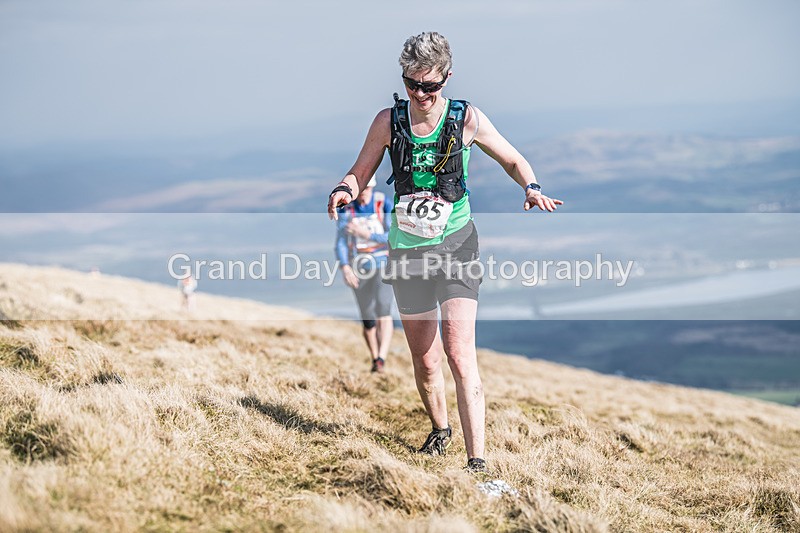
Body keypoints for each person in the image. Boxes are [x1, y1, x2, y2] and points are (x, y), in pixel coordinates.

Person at [327, 32, 562, 473]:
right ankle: (440, 429)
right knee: (426, 358)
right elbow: (361, 171)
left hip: (456, 247)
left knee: (458, 353)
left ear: (446, 78)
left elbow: (512, 158)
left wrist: (531, 187)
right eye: (412, 84)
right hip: (407, 253)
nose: (420, 95)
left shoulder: (465, 118)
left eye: (430, 86)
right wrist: (344, 189)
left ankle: (477, 461)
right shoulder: (388, 121)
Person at [335, 175, 395, 373]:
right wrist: (345, 266)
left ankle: (382, 359)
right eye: (361, 189)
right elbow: (341, 242)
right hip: (359, 267)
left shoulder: (382, 204)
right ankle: (374, 356)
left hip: (382, 264)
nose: (364, 193)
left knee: (383, 308)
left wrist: (367, 235)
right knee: (368, 317)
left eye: (367, 188)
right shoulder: (347, 210)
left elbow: (393, 235)